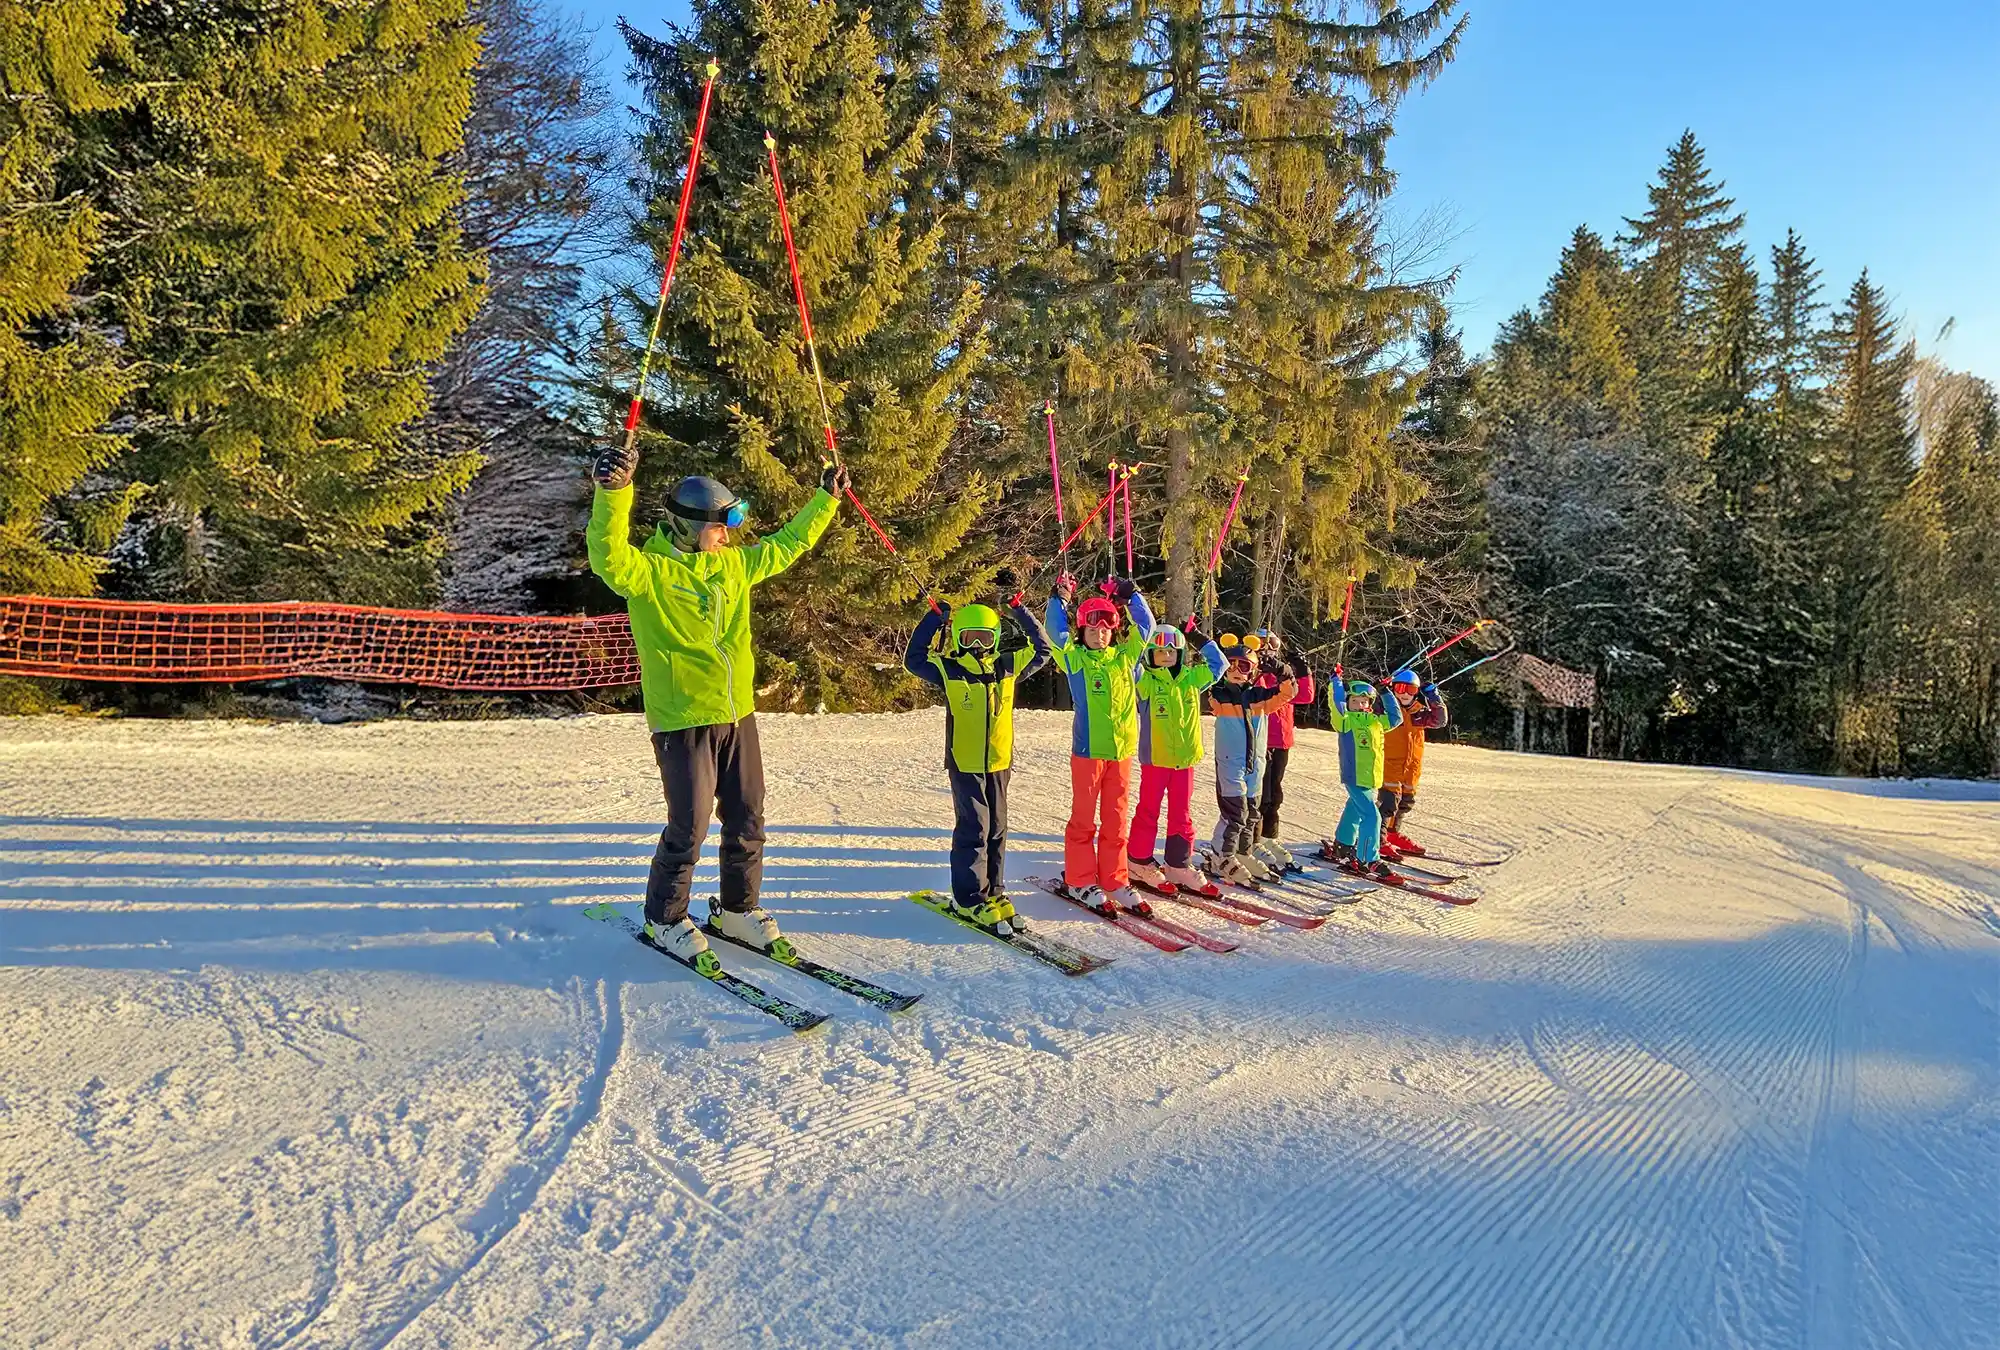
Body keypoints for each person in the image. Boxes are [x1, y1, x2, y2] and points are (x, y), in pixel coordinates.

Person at [586, 444, 846, 973]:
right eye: (718, 526)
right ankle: (665, 917)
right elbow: (608, 558)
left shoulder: (732, 565)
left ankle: (737, 910)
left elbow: (788, 544)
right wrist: (613, 494)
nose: (727, 536)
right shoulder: (650, 572)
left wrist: (826, 498)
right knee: (690, 824)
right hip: (683, 719)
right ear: (686, 528)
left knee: (748, 815)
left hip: (737, 713)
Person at [902, 571, 1053, 929]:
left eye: (984, 637)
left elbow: (1044, 650)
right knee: (974, 829)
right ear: (958, 638)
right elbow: (914, 659)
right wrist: (933, 620)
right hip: (965, 763)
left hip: (999, 762)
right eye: (968, 638)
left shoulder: (1007, 667)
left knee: (998, 828)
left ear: (996, 639)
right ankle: (970, 898)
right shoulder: (949, 668)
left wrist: (1020, 612)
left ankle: (994, 891)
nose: (976, 645)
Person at [1047, 575, 1154, 911]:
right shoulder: (1074, 659)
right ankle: (1080, 880)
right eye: (1092, 630)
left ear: (1113, 631)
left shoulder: (1125, 658)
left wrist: (1130, 595)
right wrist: (1059, 599)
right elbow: (1054, 632)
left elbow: (1148, 626)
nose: (1099, 634)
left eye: (1106, 629)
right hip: (1088, 753)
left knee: (1116, 819)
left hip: (1121, 753)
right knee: (1083, 819)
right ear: (1083, 632)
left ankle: (1115, 878)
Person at [1127, 621, 1227, 903]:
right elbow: (1131, 664)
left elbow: (1218, 664)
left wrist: (1196, 635)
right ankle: (1138, 861)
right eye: (1160, 651)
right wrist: (1137, 628)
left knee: (1181, 814)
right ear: (1150, 654)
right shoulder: (1146, 682)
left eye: (1173, 651)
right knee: (1148, 811)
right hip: (1156, 761)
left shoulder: (1192, 678)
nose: (1167, 655)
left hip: (1184, 761)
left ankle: (1178, 865)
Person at [1208, 634, 1298, 886]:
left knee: (1252, 812)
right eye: (1231, 664)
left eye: (1244, 666)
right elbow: (1210, 689)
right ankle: (1221, 855)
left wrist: (1280, 669)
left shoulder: (1260, 697)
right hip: (1230, 762)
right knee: (1234, 813)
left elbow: (1289, 691)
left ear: (1253, 671)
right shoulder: (1220, 695)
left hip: (1255, 764)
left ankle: (1242, 853)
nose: (1237, 670)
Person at [1328, 671, 1404, 879]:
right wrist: (1336, 683)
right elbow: (1336, 706)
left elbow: (1396, 718)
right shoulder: (1345, 721)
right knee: (1372, 815)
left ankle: (1343, 843)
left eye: (1364, 702)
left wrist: (1385, 692)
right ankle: (1367, 858)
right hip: (1354, 776)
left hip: (1372, 778)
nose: (1359, 705)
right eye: (1355, 701)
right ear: (1348, 702)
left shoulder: (1376, 722)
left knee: (1354, 808)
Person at [1251, 629, 1316, 870]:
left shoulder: (1282, 671)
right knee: (1260, 795)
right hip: (1260, 740)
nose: (1267, 648)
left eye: (1273, 644)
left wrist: (1301, 668)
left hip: (1281, 741)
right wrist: (1264, 670)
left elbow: (1305, 696)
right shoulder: (1254, 669)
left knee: (1275, 795)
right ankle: (1252, 839)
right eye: (1262, 644)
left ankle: (1269, 836)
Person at [1381, 667, 1448, 858]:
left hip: (1411, 768)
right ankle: (1379, 839)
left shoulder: (1419, 713)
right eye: (1400, 688)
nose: (1403, 694)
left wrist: (1434, 698)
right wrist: (1383, 690)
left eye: (1410, 690)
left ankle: (1393, 835)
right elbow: (1371, 704)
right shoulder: (1388, 710)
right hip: (1390, 765)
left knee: (1405, 802)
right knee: (1387, 804)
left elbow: (1440, 720)